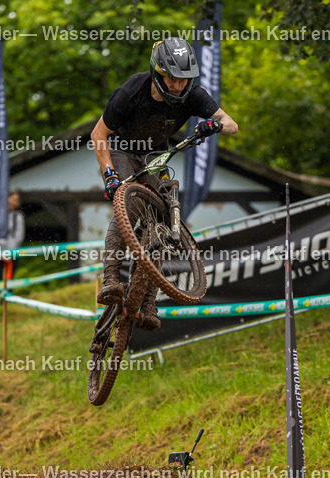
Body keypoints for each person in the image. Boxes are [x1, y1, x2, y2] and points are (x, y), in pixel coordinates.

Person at [91, 37, 238, 330]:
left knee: (161, 218)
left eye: (184, 80)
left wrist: (216, 124)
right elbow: (98, 134)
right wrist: (109, 174)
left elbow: (232, 124)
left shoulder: (193, 94)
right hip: (121, 150)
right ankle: (110, 278)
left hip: (154, 155)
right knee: (129, 203)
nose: (178, 86)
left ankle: (149, 301)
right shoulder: (131, 91)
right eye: (172, 79)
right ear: (158, 73)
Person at [0, 190, 26, 281]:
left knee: (9, 281)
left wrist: (9, 253)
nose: (12, 202)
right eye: (11, 199)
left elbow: (19, 237)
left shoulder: (18, 216)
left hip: (11, 254)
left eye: (16, 200)